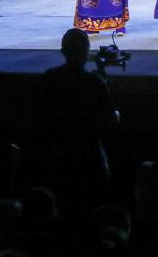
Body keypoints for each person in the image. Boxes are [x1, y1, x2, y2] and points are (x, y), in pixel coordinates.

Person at [43, 28, 119, 213]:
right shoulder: (94, 82)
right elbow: (112, 120)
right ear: (87, 51)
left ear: (63, 51)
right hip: (90, 158)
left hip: (58, 157)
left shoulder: (49, 78)